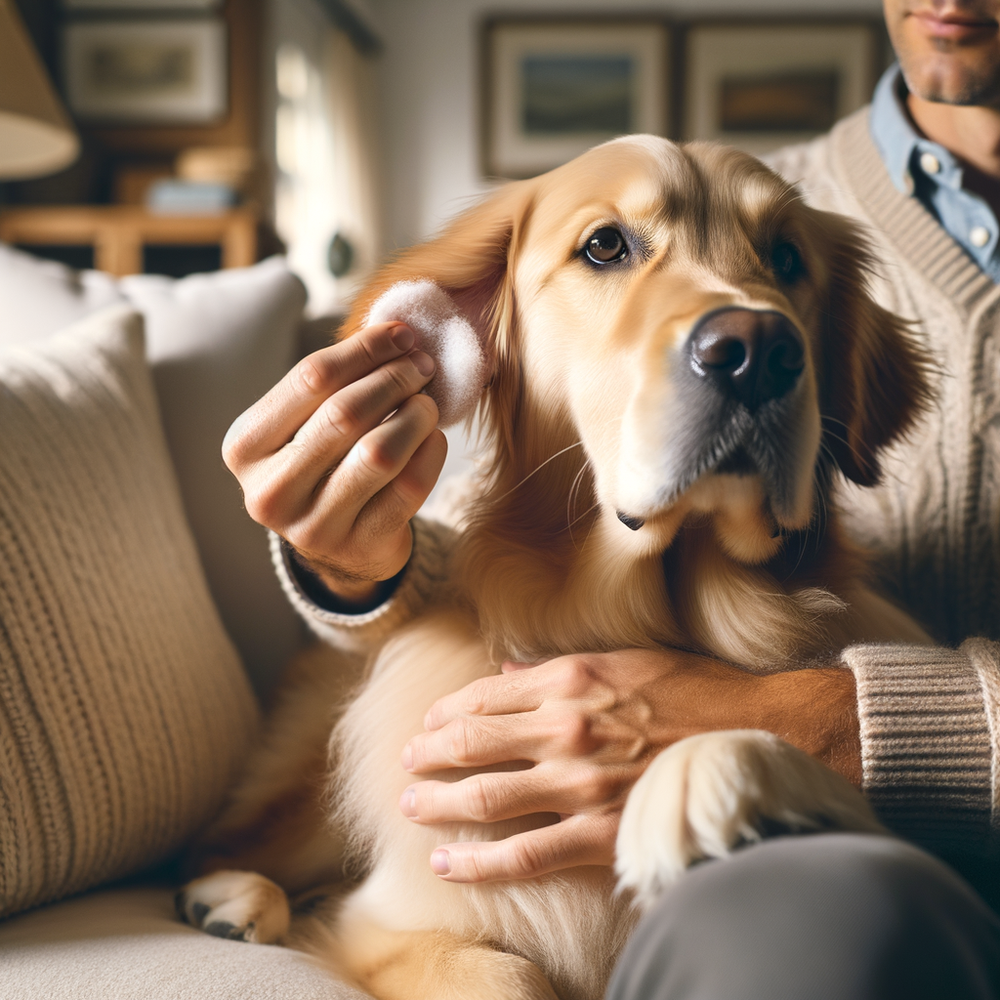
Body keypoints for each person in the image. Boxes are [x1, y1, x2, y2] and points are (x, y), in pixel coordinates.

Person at [223, 0, 1000, 993]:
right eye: (608, 249)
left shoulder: (821, 257)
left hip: (880, 854)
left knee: (834, 918)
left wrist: (824, 722)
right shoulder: (786, 193)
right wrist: (358, 557)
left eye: (780, 270)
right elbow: (518, 511)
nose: (742, 317)